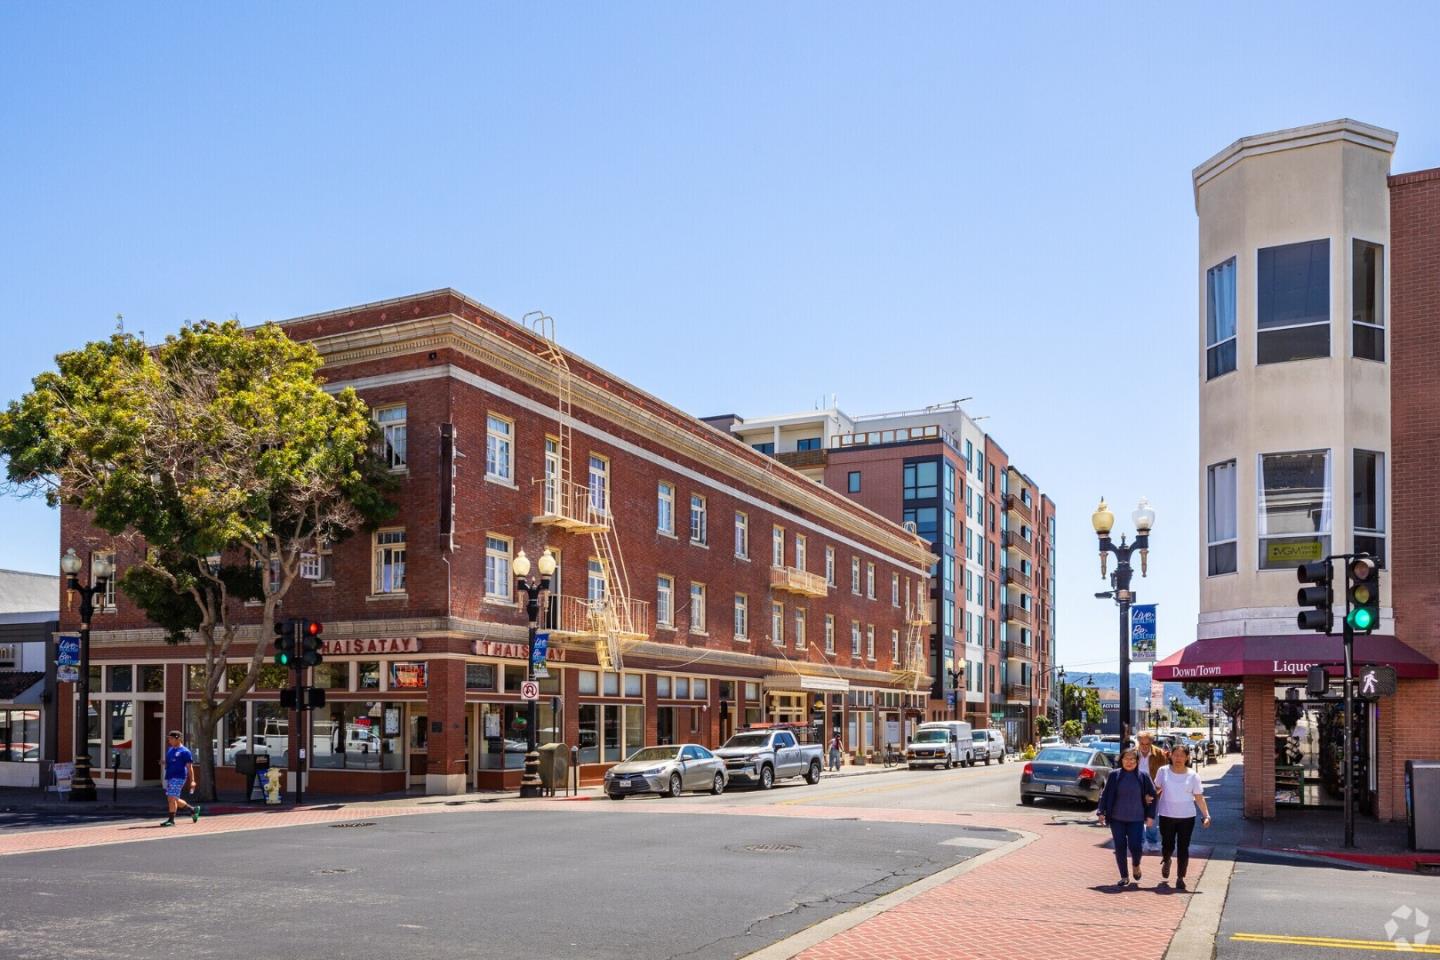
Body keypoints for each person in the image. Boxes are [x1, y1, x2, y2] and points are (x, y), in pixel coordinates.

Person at [1153, 742, 1211, 891]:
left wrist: (1206, 815)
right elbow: (1156, 789)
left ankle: (1180, 877)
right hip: (1166, 814)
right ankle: (1166, 860)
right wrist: (1149, 798)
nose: (1178, 758)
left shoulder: (1193, 775)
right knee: (1167, 844)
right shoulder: (1163, 771)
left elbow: (1199, 797)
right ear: (1170, 756)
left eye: (1182, 756)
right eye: (1175, 755)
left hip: (1187, 816)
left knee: (1183, 847)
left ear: (1187, 758)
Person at [1096, 748, 1156, 889]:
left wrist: (1150, 815)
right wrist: (1101, 811)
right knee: (1120, 847)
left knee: (1136, 846)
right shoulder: (1114, 775)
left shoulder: (1143, 776)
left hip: (1136, 818)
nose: (1129, 762)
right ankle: (1124, 876)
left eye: (1132, 759)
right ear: (1121, 760)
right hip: (1117, 818)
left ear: (1137, 761)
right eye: (1126, 759)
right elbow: (1105, 795)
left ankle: (1136, 864)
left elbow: (1152, 796)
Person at [1135, 731, 1169, 851]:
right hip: (1136, 791)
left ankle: (1152, 841)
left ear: (1151, 743)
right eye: (1142, 743)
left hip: (1154, 791)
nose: (1144, 746)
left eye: (1147, 744)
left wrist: (1155, 792)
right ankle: (1139, 841)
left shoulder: (1159, 754)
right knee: (1137, 818)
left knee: (1152, 819)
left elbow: (1165, 774)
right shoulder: (1133, 753)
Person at [161, 730, 201, 827]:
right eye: (169, 738)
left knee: (171, 798)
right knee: (173, 798)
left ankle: (171, 820)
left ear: (178, 738)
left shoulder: (185, 751)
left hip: (179, 777)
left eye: (171, 738)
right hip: (170, 776)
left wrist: (192, 781)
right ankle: (192, 809)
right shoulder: (170, 750)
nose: (169, 740)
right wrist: (164, 763)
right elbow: (170, 762)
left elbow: (189, 767)